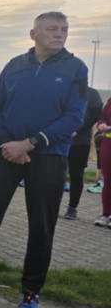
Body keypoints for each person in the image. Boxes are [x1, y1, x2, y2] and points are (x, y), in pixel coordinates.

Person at [0, 12, 87, 308]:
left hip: (49, 157)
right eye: (52, 29)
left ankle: (30, 293)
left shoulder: (76, 68)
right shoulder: (15, 65)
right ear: (33, 34)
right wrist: (6, 143)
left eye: (64, 30)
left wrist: (29, 144)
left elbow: (74, 118)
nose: (60, 34)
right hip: (4, 152)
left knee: (41, 227)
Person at [64, 87, 104, 220]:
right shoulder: (64, 89)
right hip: (60, 140)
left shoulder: (92, 94)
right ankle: (51, 205)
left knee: (76, 174)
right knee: (56, 174)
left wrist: (77, 131)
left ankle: (72, 208)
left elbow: (94, 115)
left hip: (81, 142)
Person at [94, 96, 111, 226]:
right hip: (108, 144)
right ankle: (106, 214)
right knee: (107, 180)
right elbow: (102, 117)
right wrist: (101, 124)